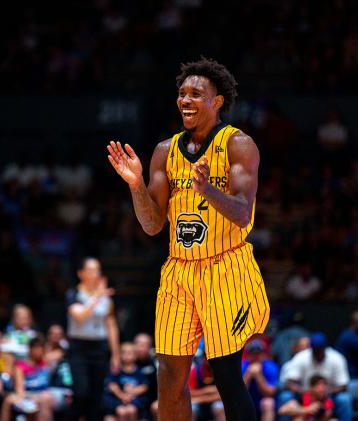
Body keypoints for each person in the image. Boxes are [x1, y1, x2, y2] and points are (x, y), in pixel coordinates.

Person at [107, 57, 270, 421]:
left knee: (225, 372)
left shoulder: (238, 145)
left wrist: (208, 189)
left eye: (197, 93)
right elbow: (152, 225)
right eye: (182, 93)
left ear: (218, 101)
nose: (186, 100)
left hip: (225, 267)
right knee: (168, 375)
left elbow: (243, 212)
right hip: (179, 270)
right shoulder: (165, 151)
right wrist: (135, 185)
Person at [66, 257, 120, 421]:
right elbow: (80, 315)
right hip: (79, 348)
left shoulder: (106, 297)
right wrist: (97, 296)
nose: (96, 273)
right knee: (81, 392)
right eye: (91, 270)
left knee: (97, 395)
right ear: (81, 273)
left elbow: (111, 326)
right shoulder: (74, 294)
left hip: (100, 348)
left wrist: (115, 354)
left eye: (98, 269)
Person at [278, 332, 352, 421]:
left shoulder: (336, 358)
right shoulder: (301, 357)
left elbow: (343, 385)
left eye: (320, 350)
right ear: (311, 348)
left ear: (325, 348)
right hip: (304, 395)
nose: (317, 352)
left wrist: (326, 393)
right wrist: (305, 408)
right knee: (286, 397)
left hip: (329, 395)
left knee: (344, 400)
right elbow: (289, 383)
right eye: (315, 350)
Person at [0, 337, 61, 421]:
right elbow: (20, 389)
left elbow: (60, 352)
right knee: (9, 400)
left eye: (41, 349)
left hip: (44, 394)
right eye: (36, 349)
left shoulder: (45, 361)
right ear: (30, 349)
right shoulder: (21, 367)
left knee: (45, 399)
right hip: (28, 394)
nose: (38, 352)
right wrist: (29, 398)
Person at [103, 342, 149, 421]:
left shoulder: (140, 371)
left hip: (135, 401)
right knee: (121, 411)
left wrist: (131, 393)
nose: (127, 355)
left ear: (135, 355)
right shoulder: (116, 371)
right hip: (118, 400)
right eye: (124, 352)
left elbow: (144, 386)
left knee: (132, 410)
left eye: (130, 353)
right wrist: (122, 395)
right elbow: (112, 385)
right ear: (120, 354)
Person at [242, 338, 279, 421]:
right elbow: (237, 394)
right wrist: (248, 375)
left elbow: (270, 393)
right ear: (247, 355)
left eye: (258, 353)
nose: (256, 357)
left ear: (264, 354)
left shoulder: (271, 366)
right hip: (247, 402)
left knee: (268, 403)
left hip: (261, 402)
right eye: (252, 353)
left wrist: (258, 376)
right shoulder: (242, 366)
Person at [134, 333, 158, 414]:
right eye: (138, 344)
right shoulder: (125, 363)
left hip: (150, 402)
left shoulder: (155, 364)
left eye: (144, 345)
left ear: (150, 348)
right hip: (131, 402)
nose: (141, 348)